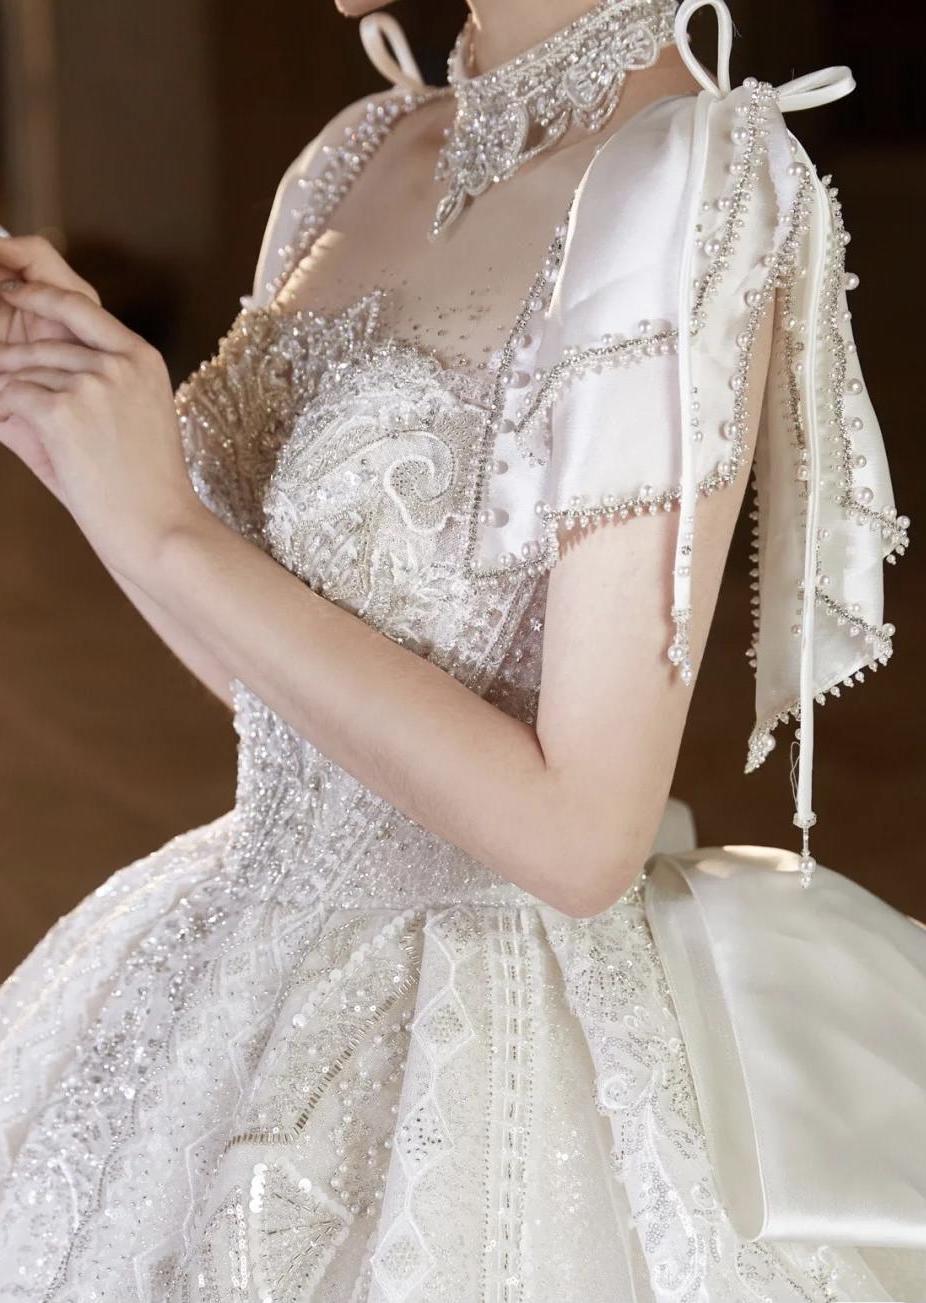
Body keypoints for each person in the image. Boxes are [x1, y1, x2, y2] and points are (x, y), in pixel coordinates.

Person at [0, 0, 920, 1298]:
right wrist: (84, 451)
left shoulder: (684, 182)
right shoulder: (355, 152)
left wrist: (165, 531)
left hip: (480, 1021)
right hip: (229, 948)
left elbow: (581, 841)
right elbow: (290, 709)